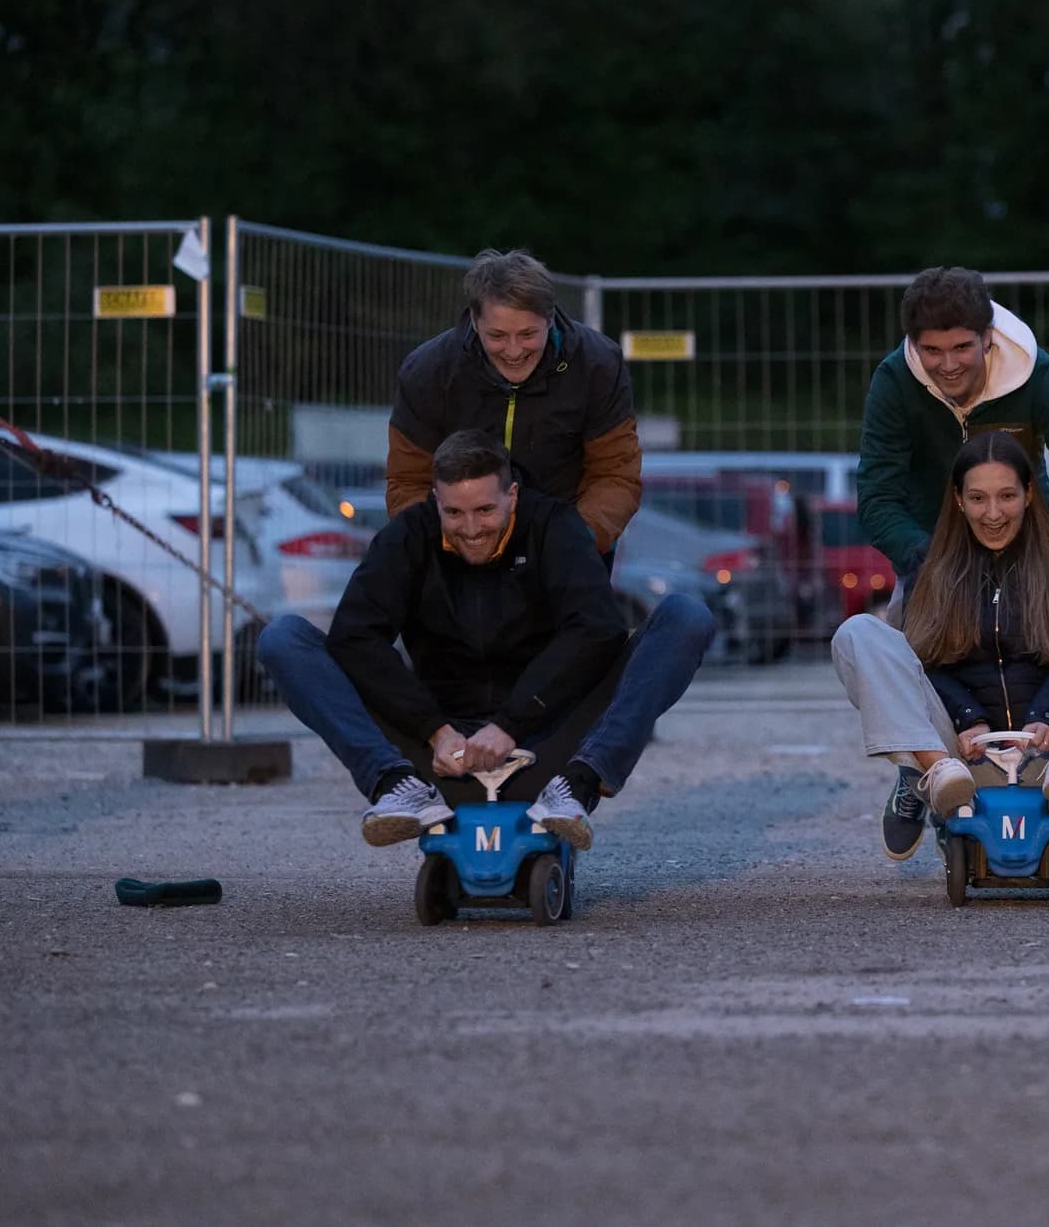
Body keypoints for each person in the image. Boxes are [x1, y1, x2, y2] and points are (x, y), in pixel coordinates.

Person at [258, 431, 714, 851]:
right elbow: (355, 637)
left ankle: (578, 785)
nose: (470, 528)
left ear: (511, 495)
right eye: (453, 512)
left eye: (485, 510)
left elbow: (596, 630)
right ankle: (395, 786)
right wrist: (433, 730)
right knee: (283, 638)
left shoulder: (554, 527)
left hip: (546, 743)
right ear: (435, 499)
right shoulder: (409, 535)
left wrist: (511, 724)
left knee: (686, 616)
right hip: (442, 755)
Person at [833, 431, 1049, 861]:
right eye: (978, 498)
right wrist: (968, 719)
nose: (993, 513)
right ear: (958, 500)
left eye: (1006, 495)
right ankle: (931, 770)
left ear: (1029, 494)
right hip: (961, 753)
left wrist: (1046, 717)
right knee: (858, 632)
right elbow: (923, 663)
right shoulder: (930, 566)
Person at [857, 266, 1049, 589]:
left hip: (1030, 562)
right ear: (914, 345)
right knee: (903, 635)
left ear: (986, 336)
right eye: (932, 350)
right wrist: (922, 557)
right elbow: (877, 496)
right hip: (932, 565)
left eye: (961, 348)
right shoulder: (894, 381)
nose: (948, 366)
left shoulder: (1037, 375)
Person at [387, 249, 641, 556]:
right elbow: (407, 481)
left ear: (549, 319)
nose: (513, 350)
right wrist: (447, 544)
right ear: (474, 320)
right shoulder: (428, 371)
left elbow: (615, 475)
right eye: (497, 335)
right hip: (459, 548)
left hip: (565, 543)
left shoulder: (597, 365)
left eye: (527, 334)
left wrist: (577, 539)